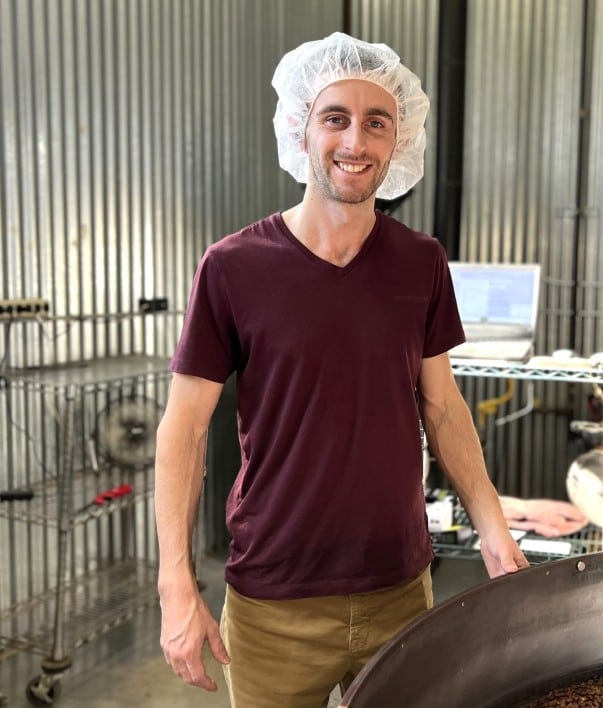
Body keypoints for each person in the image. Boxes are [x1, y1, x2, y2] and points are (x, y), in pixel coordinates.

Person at [154, 32, 529, 708]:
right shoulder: (233, 267)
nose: (355, 141)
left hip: (401, 590)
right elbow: (183, 431)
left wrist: (493, 526)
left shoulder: (422, 263)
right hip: (274, 602)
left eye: (376, 122)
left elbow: (441, 405)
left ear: (399, 142)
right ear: (302, 129)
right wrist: (175, 583)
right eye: (336, 118)